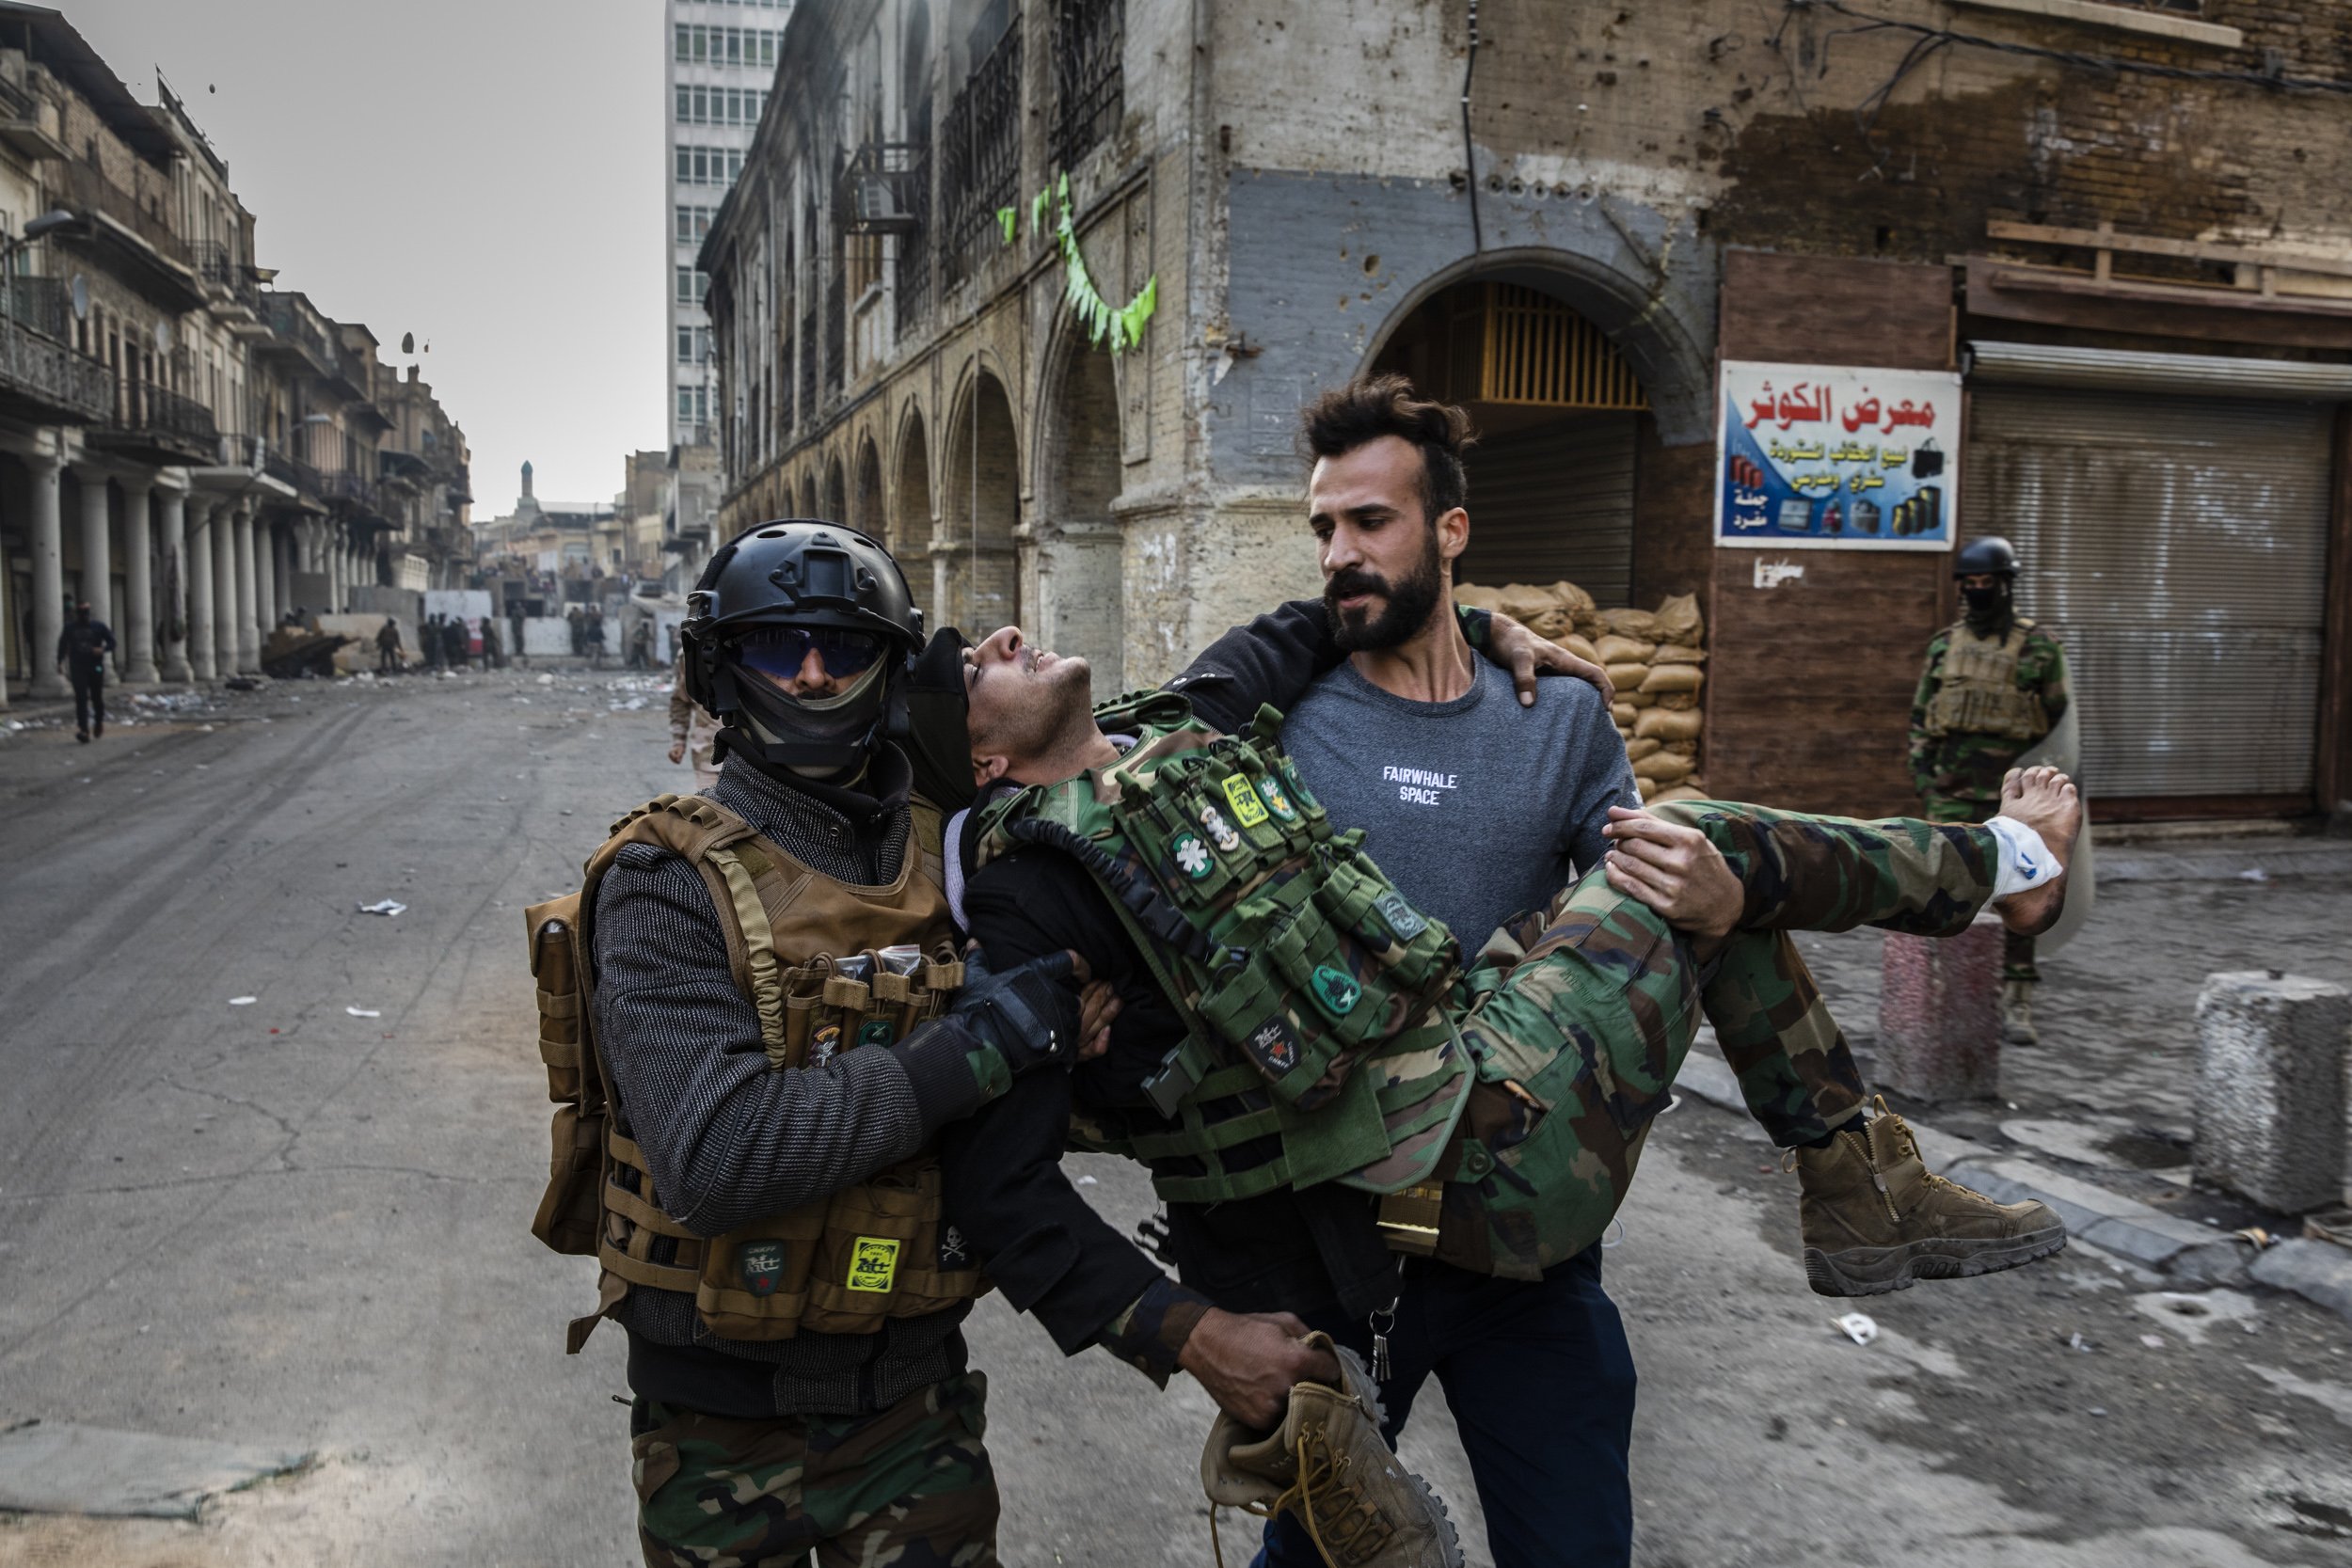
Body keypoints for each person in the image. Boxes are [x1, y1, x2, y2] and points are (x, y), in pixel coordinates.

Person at [941, 625, 2075, 1567]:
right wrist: (1192, 1335)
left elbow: (1329, 609)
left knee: (1684, 876)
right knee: (1684, 836)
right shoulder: (1030, 896)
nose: (997, 638)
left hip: (1460, 1083)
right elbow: (1000, 1187)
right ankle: (2006, 870)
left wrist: (1480, 627)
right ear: (981, 759)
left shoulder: (1183, 712)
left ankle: (1856, 1174)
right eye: (965, 673)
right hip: (1377, 1211)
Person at [579, 520, 1106, 1568]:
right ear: (721, 669)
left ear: (891, 666)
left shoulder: (950, 846)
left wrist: (1483, 630)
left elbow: (1171, 721)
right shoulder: (662, 877)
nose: (813, 674)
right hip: (719, 1428)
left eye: (843, 645)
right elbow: (719, 1156)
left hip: (913, 1396)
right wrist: (985, 1041)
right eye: (778, 646)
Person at [1911, 536, 2069, 1044]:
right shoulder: (1944, 645)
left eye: (1988, 583)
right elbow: (1921, 722)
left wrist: (2048, 793)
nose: (1978, 591)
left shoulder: (2040, 647)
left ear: (2006, 585)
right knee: (1944, 886)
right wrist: (1926, 781)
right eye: (1970, 584)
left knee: (2023, 885)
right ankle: (1940, 991)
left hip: (2015, 790)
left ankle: (2016, 998)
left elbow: (2059, 723)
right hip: (1952, 790)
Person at [56, 600, 114, 743]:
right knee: (81, 699)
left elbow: (112, 642)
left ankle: (98, 721)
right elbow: (62, 645)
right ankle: (84, 730)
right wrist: (60, 662)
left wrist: (102, 649)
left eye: (86, 612)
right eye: (81, 612)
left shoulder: (99, 627)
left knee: (96, 697)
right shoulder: (70, 628)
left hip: (95, 666)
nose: (84, 615)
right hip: (78, 667)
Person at [665, 641, 721, 791]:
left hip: (754, 759)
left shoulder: (756, 645)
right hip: (709, 754)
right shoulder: (691, 654)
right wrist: (679, 740)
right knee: (712, 812)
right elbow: (681, 700)